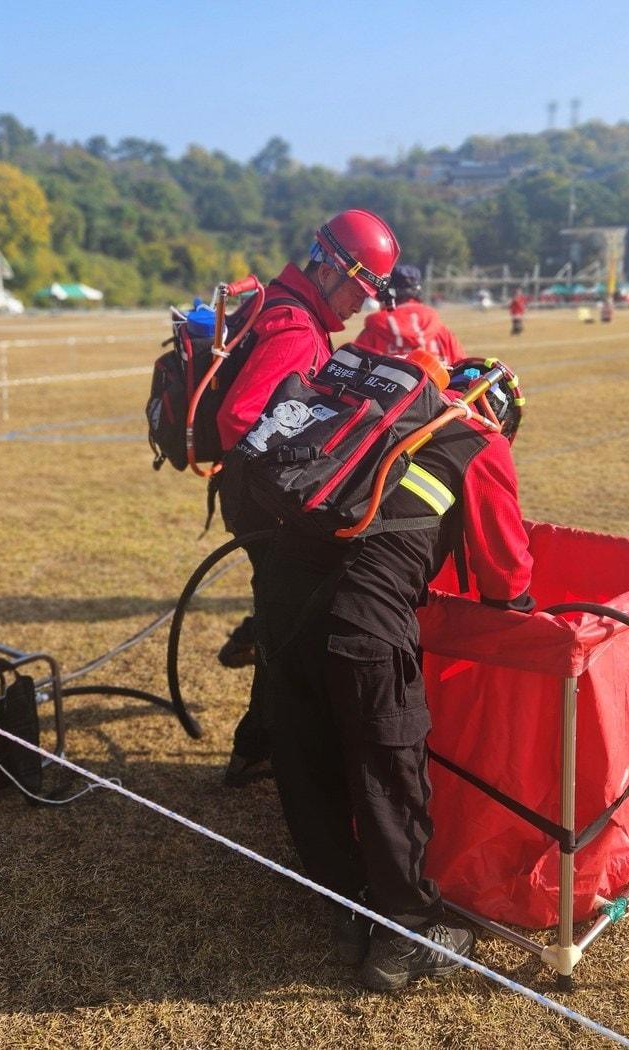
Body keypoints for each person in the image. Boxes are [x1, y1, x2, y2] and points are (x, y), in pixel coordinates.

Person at [254, 358, 534, 990]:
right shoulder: (479, 443)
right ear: (504, 416)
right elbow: (506, 579)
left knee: (306, 755)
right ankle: (409, 931)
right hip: (364, 621)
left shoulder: (378, 419)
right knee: (387, 769)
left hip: (281, 604)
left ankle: (345, 905)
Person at [213, 209, 400, 788]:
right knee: (289, 630)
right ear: (330, 270)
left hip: (255, 494)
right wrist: (304, 474)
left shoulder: (281, 305)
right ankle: (263, 750)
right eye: (361, 289)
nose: (362, 305)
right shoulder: (296, 328)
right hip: (265, 502)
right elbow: (240, 418)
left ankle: (259, 744)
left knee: (282, 620)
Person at [354, 264, 464, 366]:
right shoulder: (440, 330)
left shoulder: (374, 331)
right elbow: (462, 374)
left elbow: (353, 373)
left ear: (386, 292)